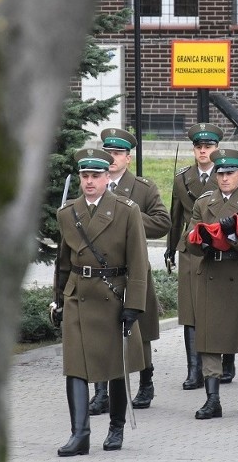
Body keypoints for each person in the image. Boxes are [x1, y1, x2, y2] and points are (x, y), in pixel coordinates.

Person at [53, 148, 149, 455]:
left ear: (107, 177)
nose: (90, 182)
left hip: (113, 295)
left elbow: (138, 260)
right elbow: (63, 263)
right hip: (78, 297)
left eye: (96, 176)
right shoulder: (67, 213)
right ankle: (80, 434)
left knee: (115, 366)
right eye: (85, 176)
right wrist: (57, 301)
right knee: (75, 367)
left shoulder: (126, 210)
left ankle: (116, 427)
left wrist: (134, 303)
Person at [91, 128, 171, 411]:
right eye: (108, 152)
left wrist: (130, 218)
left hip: (131, 267)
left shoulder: (143, 187)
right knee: (100, 331)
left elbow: (163, 223)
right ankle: (101, 392)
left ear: (128, 157)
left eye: (117, 153)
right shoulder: (93, 183)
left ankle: (146, 382)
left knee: (140, 329)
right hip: (99, 269)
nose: (111, 158)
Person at [184, 148, 238, 419]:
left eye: (230, 173)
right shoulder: (204, 202)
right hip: (211, 271)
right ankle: (213, 399)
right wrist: (203, 241)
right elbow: (191, 239)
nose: (224, 178)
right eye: (220, 173)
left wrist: (231, 235)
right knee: (209, 337)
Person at [166, 123, 237, 390]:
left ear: (217, 148)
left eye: (208, 147)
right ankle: (194, 370)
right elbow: (175, 219)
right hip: (192, 250)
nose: (203, 151)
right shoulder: (182, 178)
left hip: (221, 249)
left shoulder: (227, 174)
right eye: (199, 147)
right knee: (191, 312)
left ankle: (227, 363)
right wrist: (170, 248)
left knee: (223, 308)